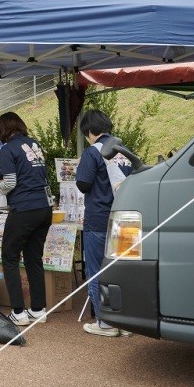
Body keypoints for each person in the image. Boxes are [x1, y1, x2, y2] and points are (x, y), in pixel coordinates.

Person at [0, 111, 54, 326]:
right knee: (33, 257)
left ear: (2, 130)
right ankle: (38, 309)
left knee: (9, 256)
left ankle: (18, 312)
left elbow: (10, 182)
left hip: (24, 207)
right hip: (44, 207)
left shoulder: (8, 149)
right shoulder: (34, 144)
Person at [76, 109, 133, 338]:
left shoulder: (93, 152)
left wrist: (82, 165)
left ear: (90, 132)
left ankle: (105, 322)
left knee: (97, 271)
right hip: (124, 217)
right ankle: (127, 321)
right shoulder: (124, 150)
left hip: (99, 219)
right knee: (122, 270)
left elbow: (83, 184)